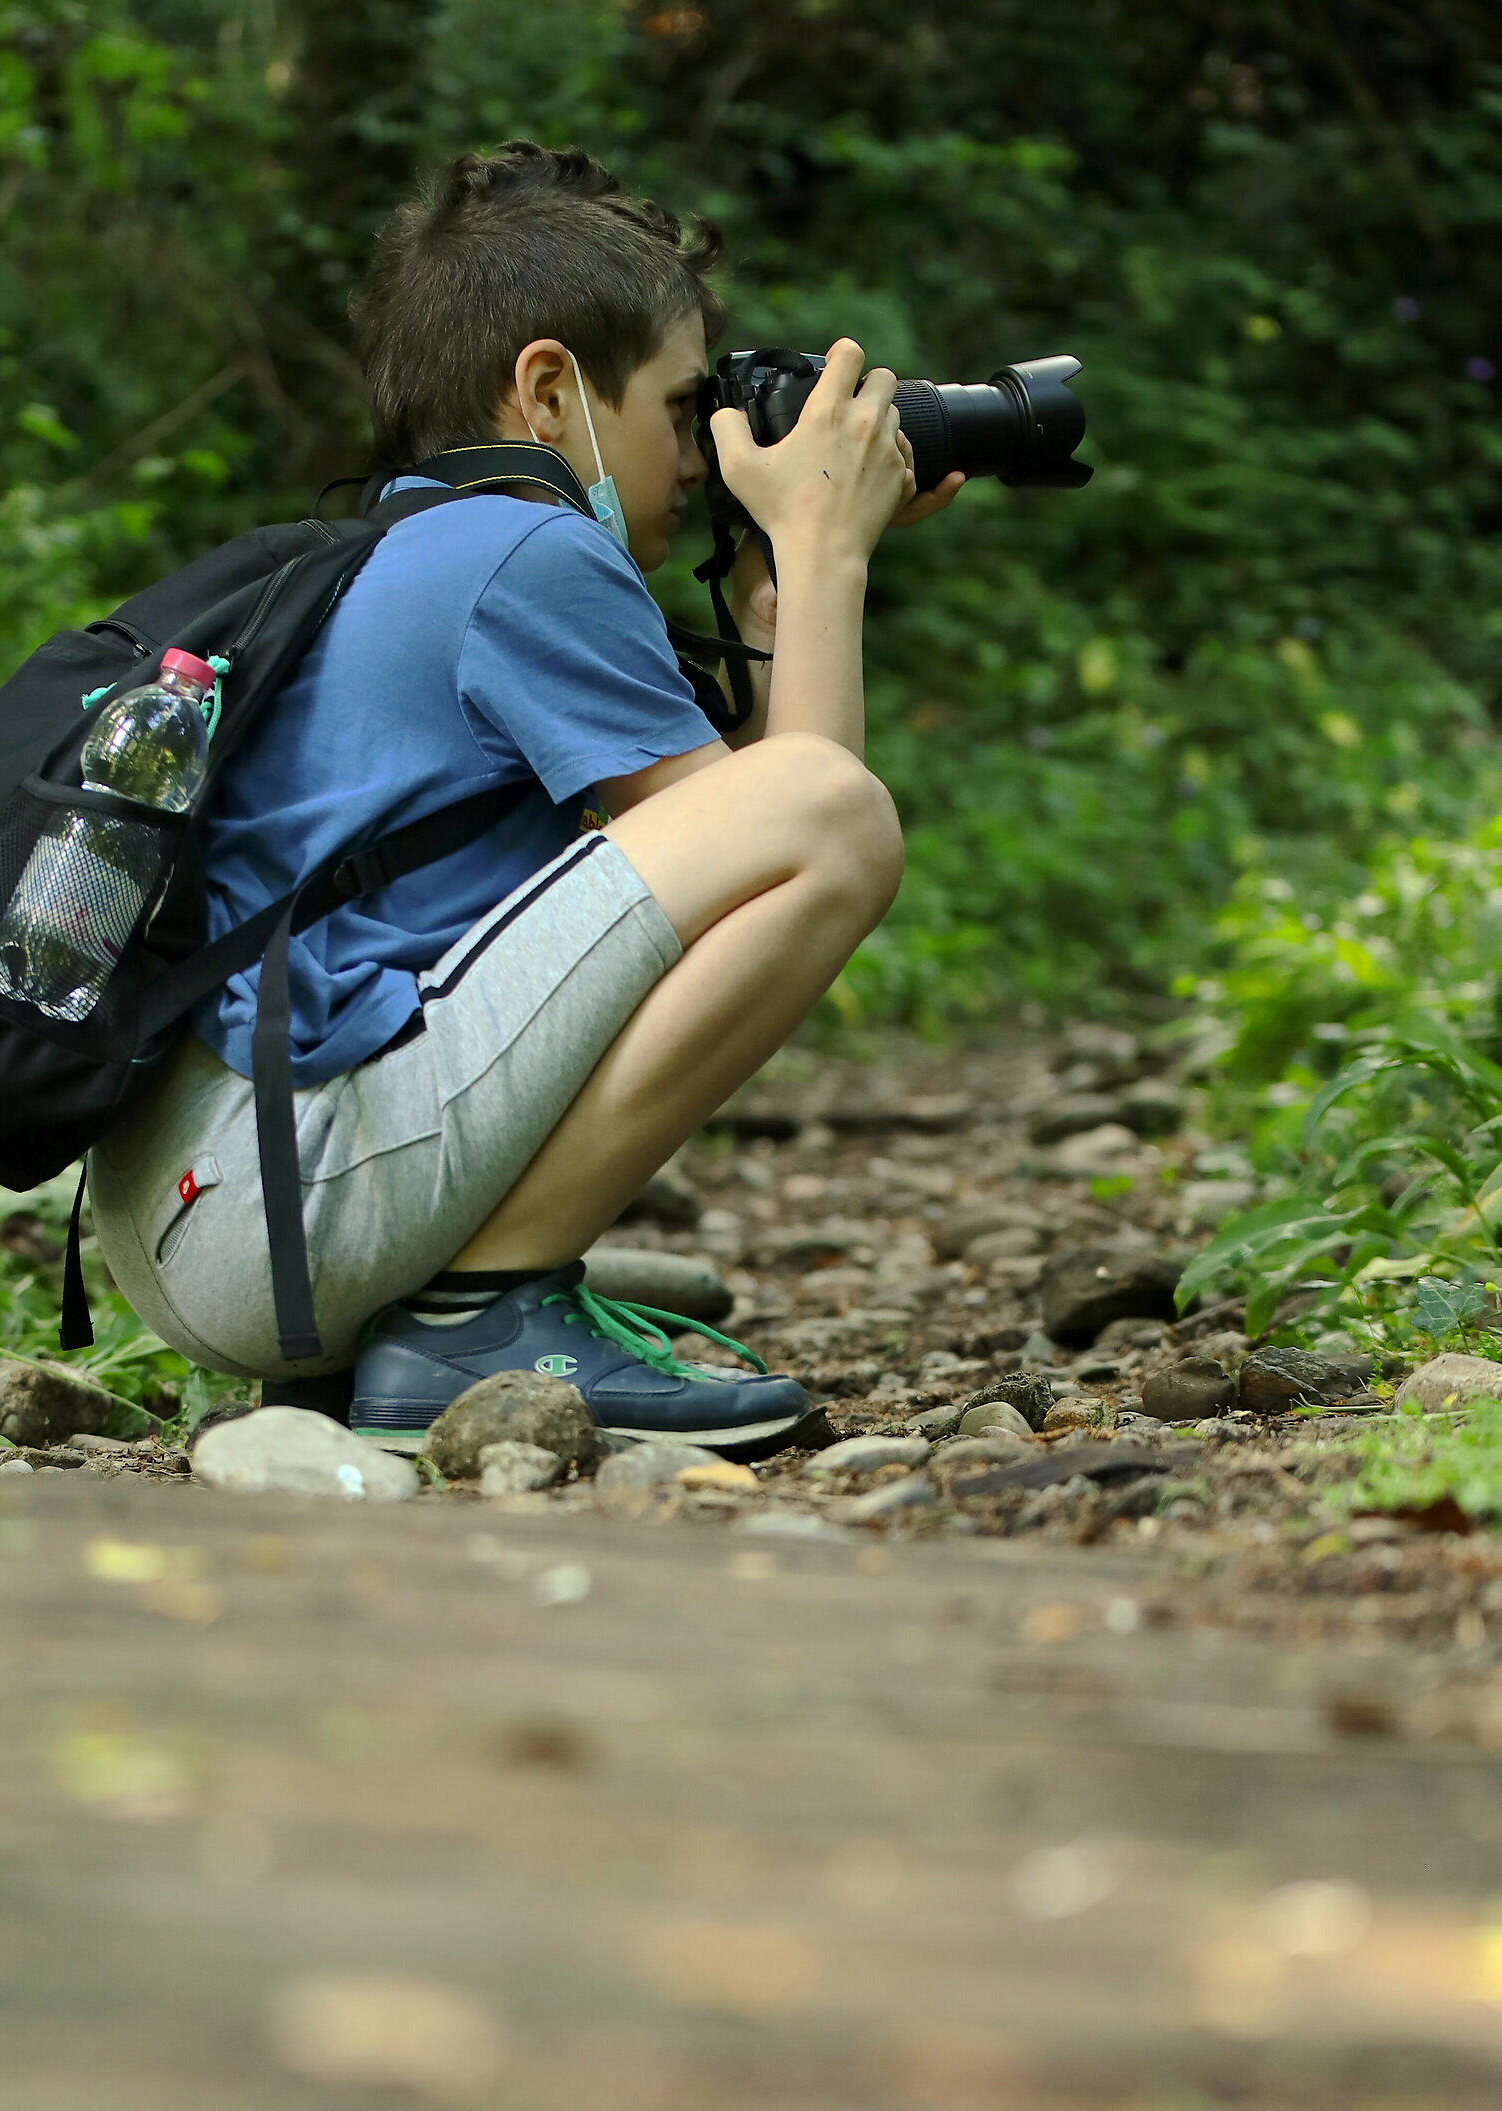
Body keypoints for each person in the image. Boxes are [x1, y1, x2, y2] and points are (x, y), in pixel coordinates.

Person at [86, 141, 961, 1456]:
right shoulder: (526, 550)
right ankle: (478, 1318)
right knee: (836, 821)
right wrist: (827, 550)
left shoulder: (417, 541)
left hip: (216, 1209)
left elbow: (725, 848)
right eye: (678, 411)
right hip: (281, 1202)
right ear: (549, 388)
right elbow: (808, 830)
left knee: (811, 815)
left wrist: (784, 596)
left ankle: (442, 1313)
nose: (695, 457)